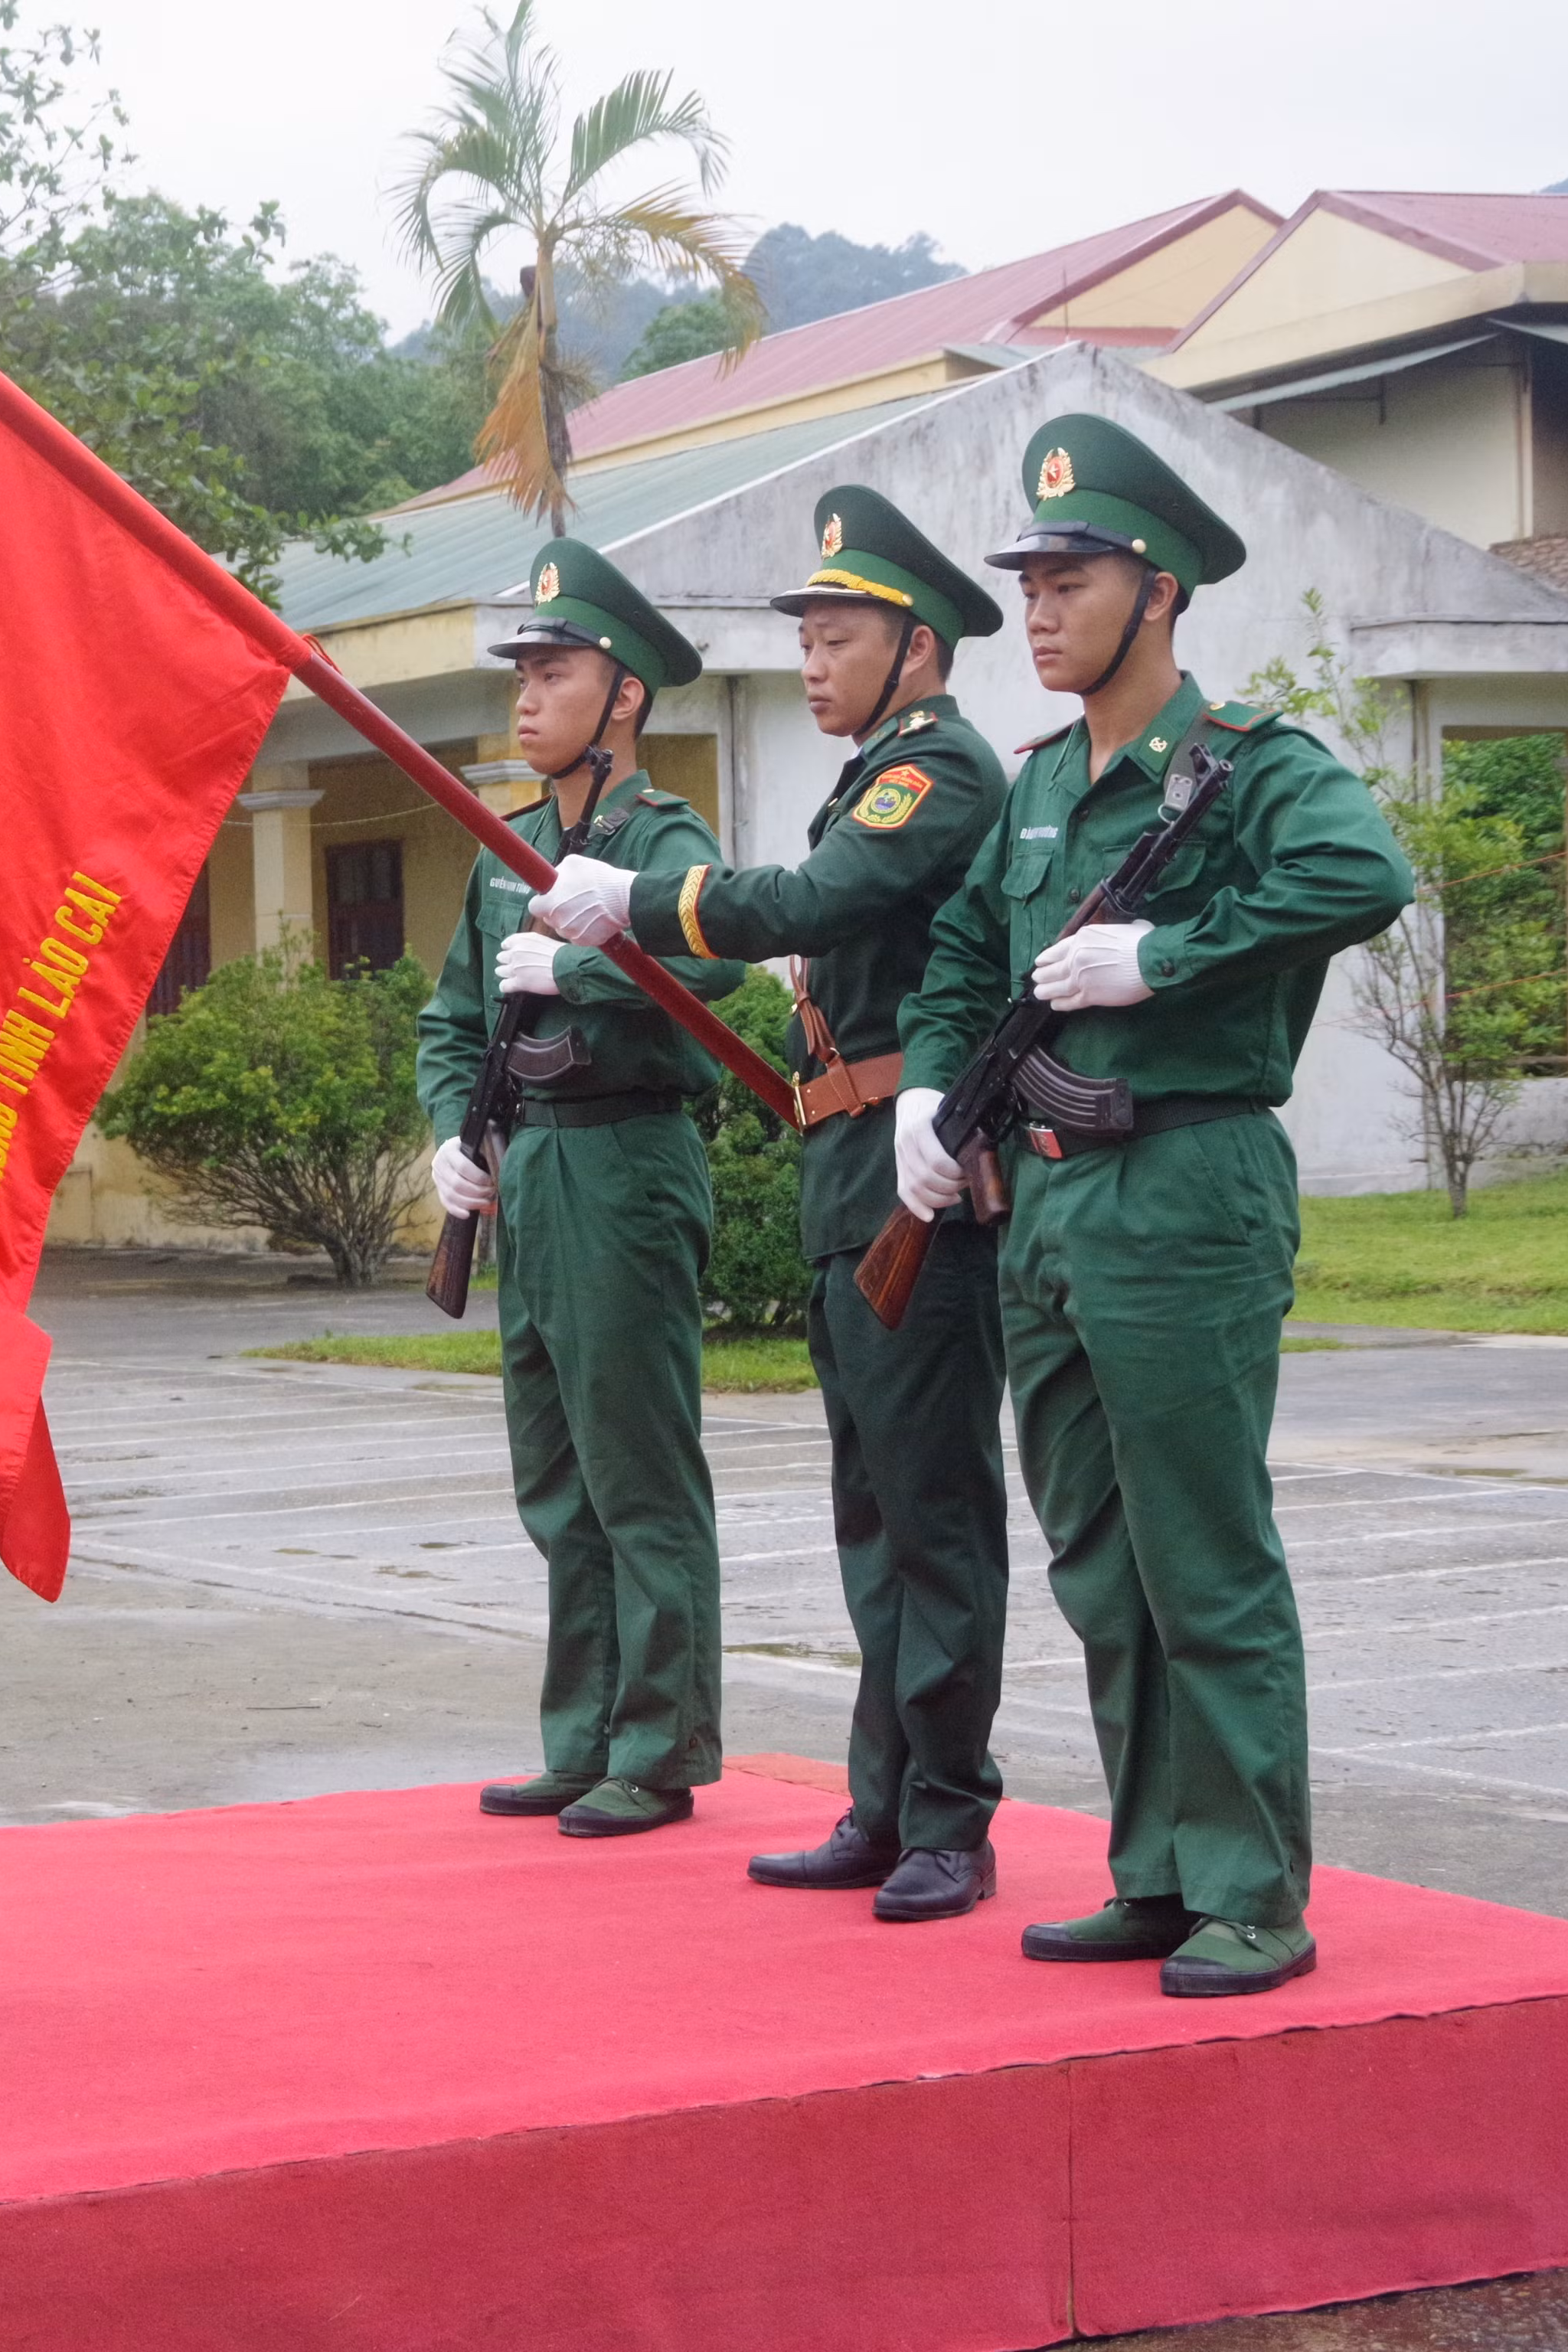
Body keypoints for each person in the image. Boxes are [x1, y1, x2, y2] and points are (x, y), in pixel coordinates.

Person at [894, 414, 1412, 1997]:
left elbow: (1367, 877)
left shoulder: (1253, 774)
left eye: (1072, 576)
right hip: (1047, 1206)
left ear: (1162, 590)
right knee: (1103, 1566)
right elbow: (967, 959)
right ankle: (1161, 1871)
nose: (1040, 608)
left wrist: (1165, 959)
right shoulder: (1045, 785)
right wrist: (928, 1089)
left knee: (1205, 1555)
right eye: (1031, 580)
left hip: (1184, 1187)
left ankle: (1256, 1889)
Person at [531, 486, 1015, 1923]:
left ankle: (949, 1817)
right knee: (872, 1506)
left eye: (838, 634)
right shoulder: (874, 767)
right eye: (803, 633)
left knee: (932, 1507)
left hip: (906, 1160)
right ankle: (885, 1802)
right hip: (848, 1158)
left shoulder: (940, 772)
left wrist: (644, 907)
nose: (810, 658)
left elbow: (811, 903)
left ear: (915, 648)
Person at [423, 538, 748, 1840]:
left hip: (626, 1157)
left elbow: (724, 964)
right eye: (522, 672)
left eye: (553, 671)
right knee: (555, 1471)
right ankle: (585, 1731)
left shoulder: (663, 840)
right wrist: (456, 1132)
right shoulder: (506, 855)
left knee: (638, 1469)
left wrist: (595, 969)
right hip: (535, 1166)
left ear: (623, 694)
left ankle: (659, 1745)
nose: (525, 696)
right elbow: (452, 1016)